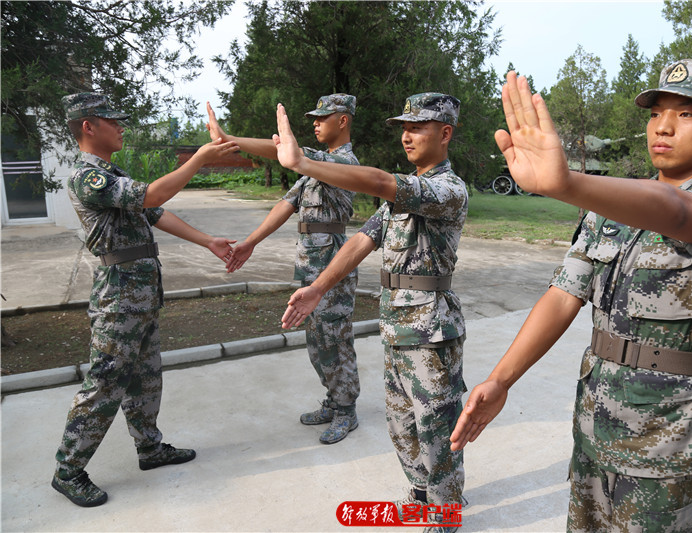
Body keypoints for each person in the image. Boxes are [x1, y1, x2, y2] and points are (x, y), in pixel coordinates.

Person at [450, 61, 692, 531]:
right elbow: (563, 295)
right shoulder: (608, 213)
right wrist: (501, 380)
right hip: (594, 426)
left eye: (687, 114)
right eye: (657, 112)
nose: (662, 125)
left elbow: (680, 213)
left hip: (664, 442)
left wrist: (568, 184)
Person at [277, 93, 468, 533]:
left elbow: (382, 182)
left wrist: (303, 163)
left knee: (436, 428)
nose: (406, 135)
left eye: (417, 127)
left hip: (431, 330)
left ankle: (446, 515)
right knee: (402, 424)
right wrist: (318, 287)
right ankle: (422, 499)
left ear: (445, 133)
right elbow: (362, 240)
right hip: (397, 325)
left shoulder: (446, 189)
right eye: (404, 126)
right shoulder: (398, 199)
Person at [52, 93, 240, 507]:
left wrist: (208, 241)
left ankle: (150, 448)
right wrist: (200, 159)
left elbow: (153, 212)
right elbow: (153, 196)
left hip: (139, 294)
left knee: (146, 378)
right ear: (88, 125)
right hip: (118, 297)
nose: (121, 126)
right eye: (112, 120)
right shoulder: (87, 176)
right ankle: (68, 470)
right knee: (104, 383)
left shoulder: (112, 173)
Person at [206, 94, 362, 444]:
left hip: (332, 266)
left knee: (335, 340)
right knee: (317, 340)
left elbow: (285, 152)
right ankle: (333, 399)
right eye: (313, 117)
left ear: (343, 121)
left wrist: (230, 138)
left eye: (324, 117)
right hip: (309, 266)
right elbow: (286, 204)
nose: (315, 123)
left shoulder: (342, 162)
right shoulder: (313, 169)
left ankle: (346, 410)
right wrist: (250, 242)